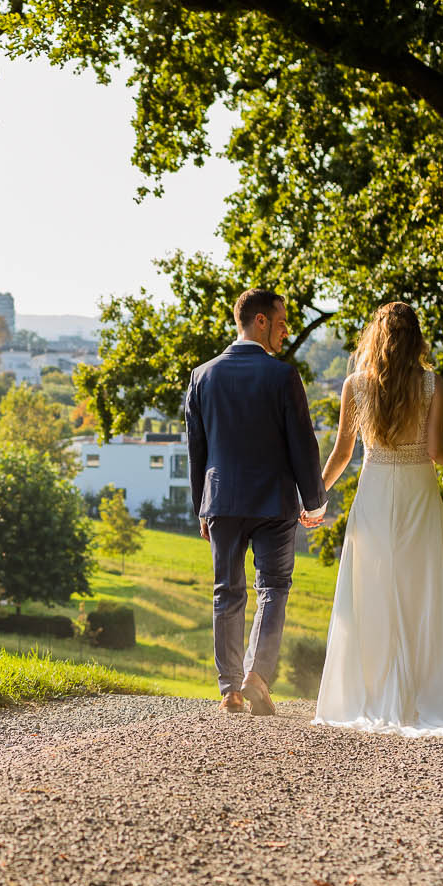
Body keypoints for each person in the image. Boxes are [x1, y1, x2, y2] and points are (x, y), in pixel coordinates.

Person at [311, 301, 443, 736]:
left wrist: (316, 497)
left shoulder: (356, 385)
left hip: (376, 493)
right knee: (423, 592)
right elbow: (435, 453)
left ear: (374, 338)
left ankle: (375, 691)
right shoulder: (432, 384)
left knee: (373, 593)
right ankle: (427, 691)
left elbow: (341, 453)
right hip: (417, 492)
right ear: (416, 338)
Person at [184, 288, 326, 715]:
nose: (286, 331)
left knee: (226, 591)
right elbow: (303, 444)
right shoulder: (283, 377)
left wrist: (201, 507)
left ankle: (230, 689)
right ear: (260, 321)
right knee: (273, 588)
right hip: (274, 502)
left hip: (222, 500)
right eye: (281, 322)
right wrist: (315, 502)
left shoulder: (202, 376)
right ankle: (256, 676)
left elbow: (197, 450)